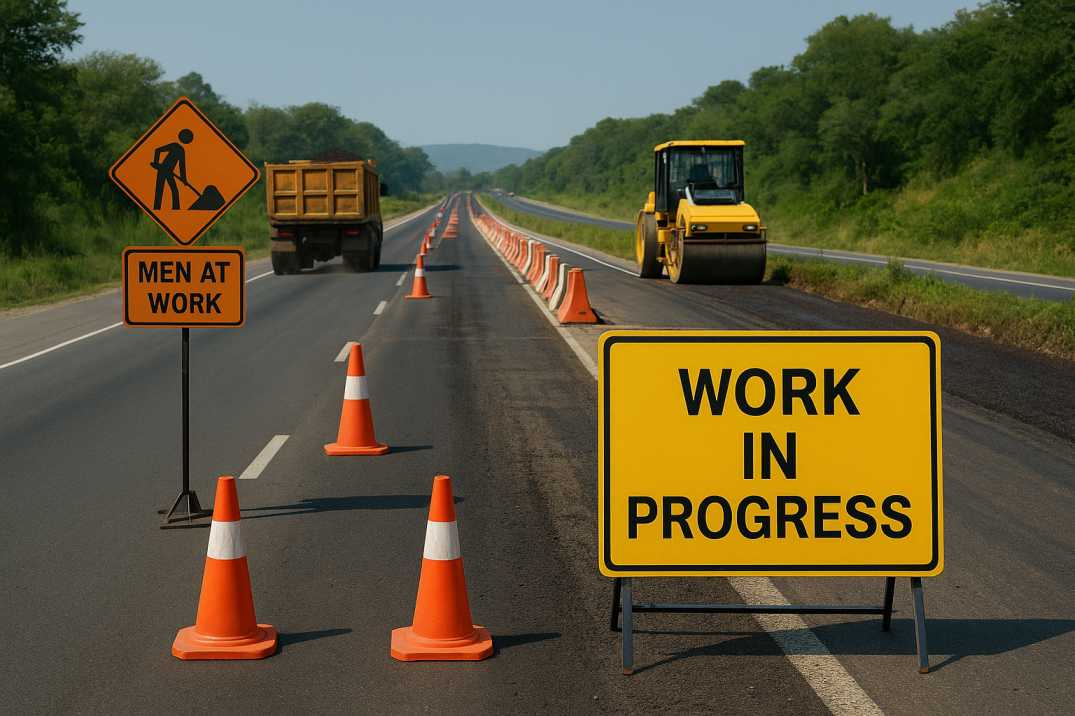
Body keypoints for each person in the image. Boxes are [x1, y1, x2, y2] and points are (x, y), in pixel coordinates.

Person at [151, 129, 193, 210]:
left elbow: (181, 166)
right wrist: (156, 163)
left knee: (174, 191)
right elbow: (158, 150)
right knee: (160, 190)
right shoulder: (174, 146)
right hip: (162, 169)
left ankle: (175, 209)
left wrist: (184, 180)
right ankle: (157, 208)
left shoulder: (181, 150)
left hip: (169, 172)